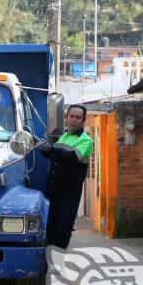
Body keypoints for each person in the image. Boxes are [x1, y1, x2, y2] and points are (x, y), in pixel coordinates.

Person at [41, 104, 94, 249]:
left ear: (83, 120)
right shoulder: (62, 136)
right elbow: (52, 156)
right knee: (48, 230)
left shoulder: (86, 140)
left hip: (68, 196)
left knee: (61, 233)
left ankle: (57, 268)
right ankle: (48, 266)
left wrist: (51, 149)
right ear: (66, 118)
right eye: (72, 116)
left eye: (78, 117)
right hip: (52, 192)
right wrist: (41, 147)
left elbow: (71, 158)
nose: (74, 120)